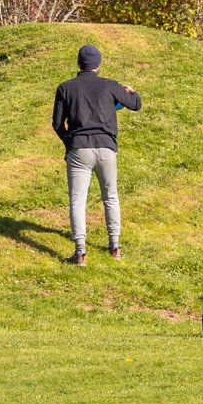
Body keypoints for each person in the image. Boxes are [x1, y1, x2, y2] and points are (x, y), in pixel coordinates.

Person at [51, 43, 141, 266]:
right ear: (98, 64)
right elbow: (135, 105)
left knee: (77, 201)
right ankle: (115, 247)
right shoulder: (109, 86)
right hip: (106, 149)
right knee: (110, 197)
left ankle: (80, 252)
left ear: (79, 63)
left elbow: (56, 123)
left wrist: (69, 142)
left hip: (78, 149)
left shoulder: (65, 88)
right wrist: (131, 91)